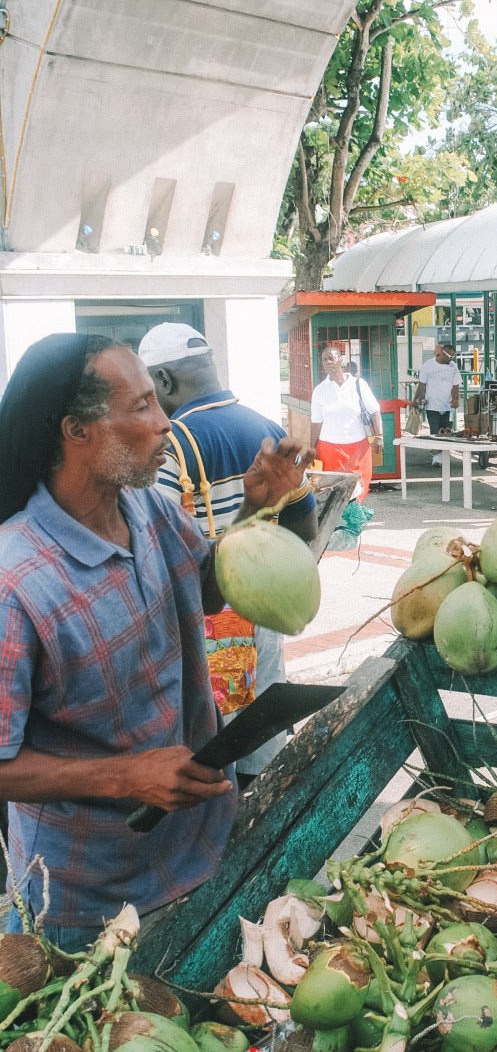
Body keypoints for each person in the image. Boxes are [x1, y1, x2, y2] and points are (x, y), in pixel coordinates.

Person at [0, 334, 309, 947]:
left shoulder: (149, 509)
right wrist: (124, 777)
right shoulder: (15, 584)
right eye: (141, 407)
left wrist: (255, 512)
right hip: (89, 905)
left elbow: (205, 595)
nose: (165, 424)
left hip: (202, 848)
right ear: (76, 430)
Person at [138, 322, 317, 774]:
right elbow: (306, 527)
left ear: (163, 381)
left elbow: (161, 556)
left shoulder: (171, 444)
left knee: (212, 761)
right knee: (262, 742)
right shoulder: (268, 428)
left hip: (206, 621)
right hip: (263, 611)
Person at [309, 344, 383, 497]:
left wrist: (379, 436)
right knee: (333, 491)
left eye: (331, 358)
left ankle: (353, 521)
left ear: (340, 360)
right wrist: (312, 448)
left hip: (358, 448)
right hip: (329, 449)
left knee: (359, 489)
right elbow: (316, 422)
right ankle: (338, 520)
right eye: (324, 360)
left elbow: (375, 411)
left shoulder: (358, 384)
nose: (328, 363)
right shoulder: (320, 390)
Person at [414, 342, 461, 466]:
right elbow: (422, 384)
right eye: (450, 357)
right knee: (435, 431)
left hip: (448, 406)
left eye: (453, 357)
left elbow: (456, 385)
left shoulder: (453, 366)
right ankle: (436, 457)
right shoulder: (428, 365)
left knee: (446, 432)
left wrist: (456, 399)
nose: (451, 359)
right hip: (432, 405)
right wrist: (416, 399)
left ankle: (443, 456)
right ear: (443, 355)